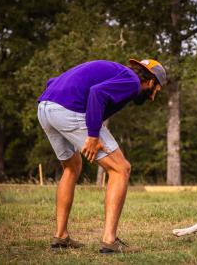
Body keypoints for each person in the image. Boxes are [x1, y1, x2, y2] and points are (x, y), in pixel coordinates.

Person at [37, 59, 166, 253]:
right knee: (121, 169)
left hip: (45, 108)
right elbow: (96, 93)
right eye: (156, 89)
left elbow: (53, 81)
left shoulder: (118, 73)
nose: (153, 97)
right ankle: (109, 241)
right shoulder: (131, 81)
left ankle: (61, 237)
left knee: (72, 167)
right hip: (69, 110)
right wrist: (92, 135)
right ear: (150, 81)